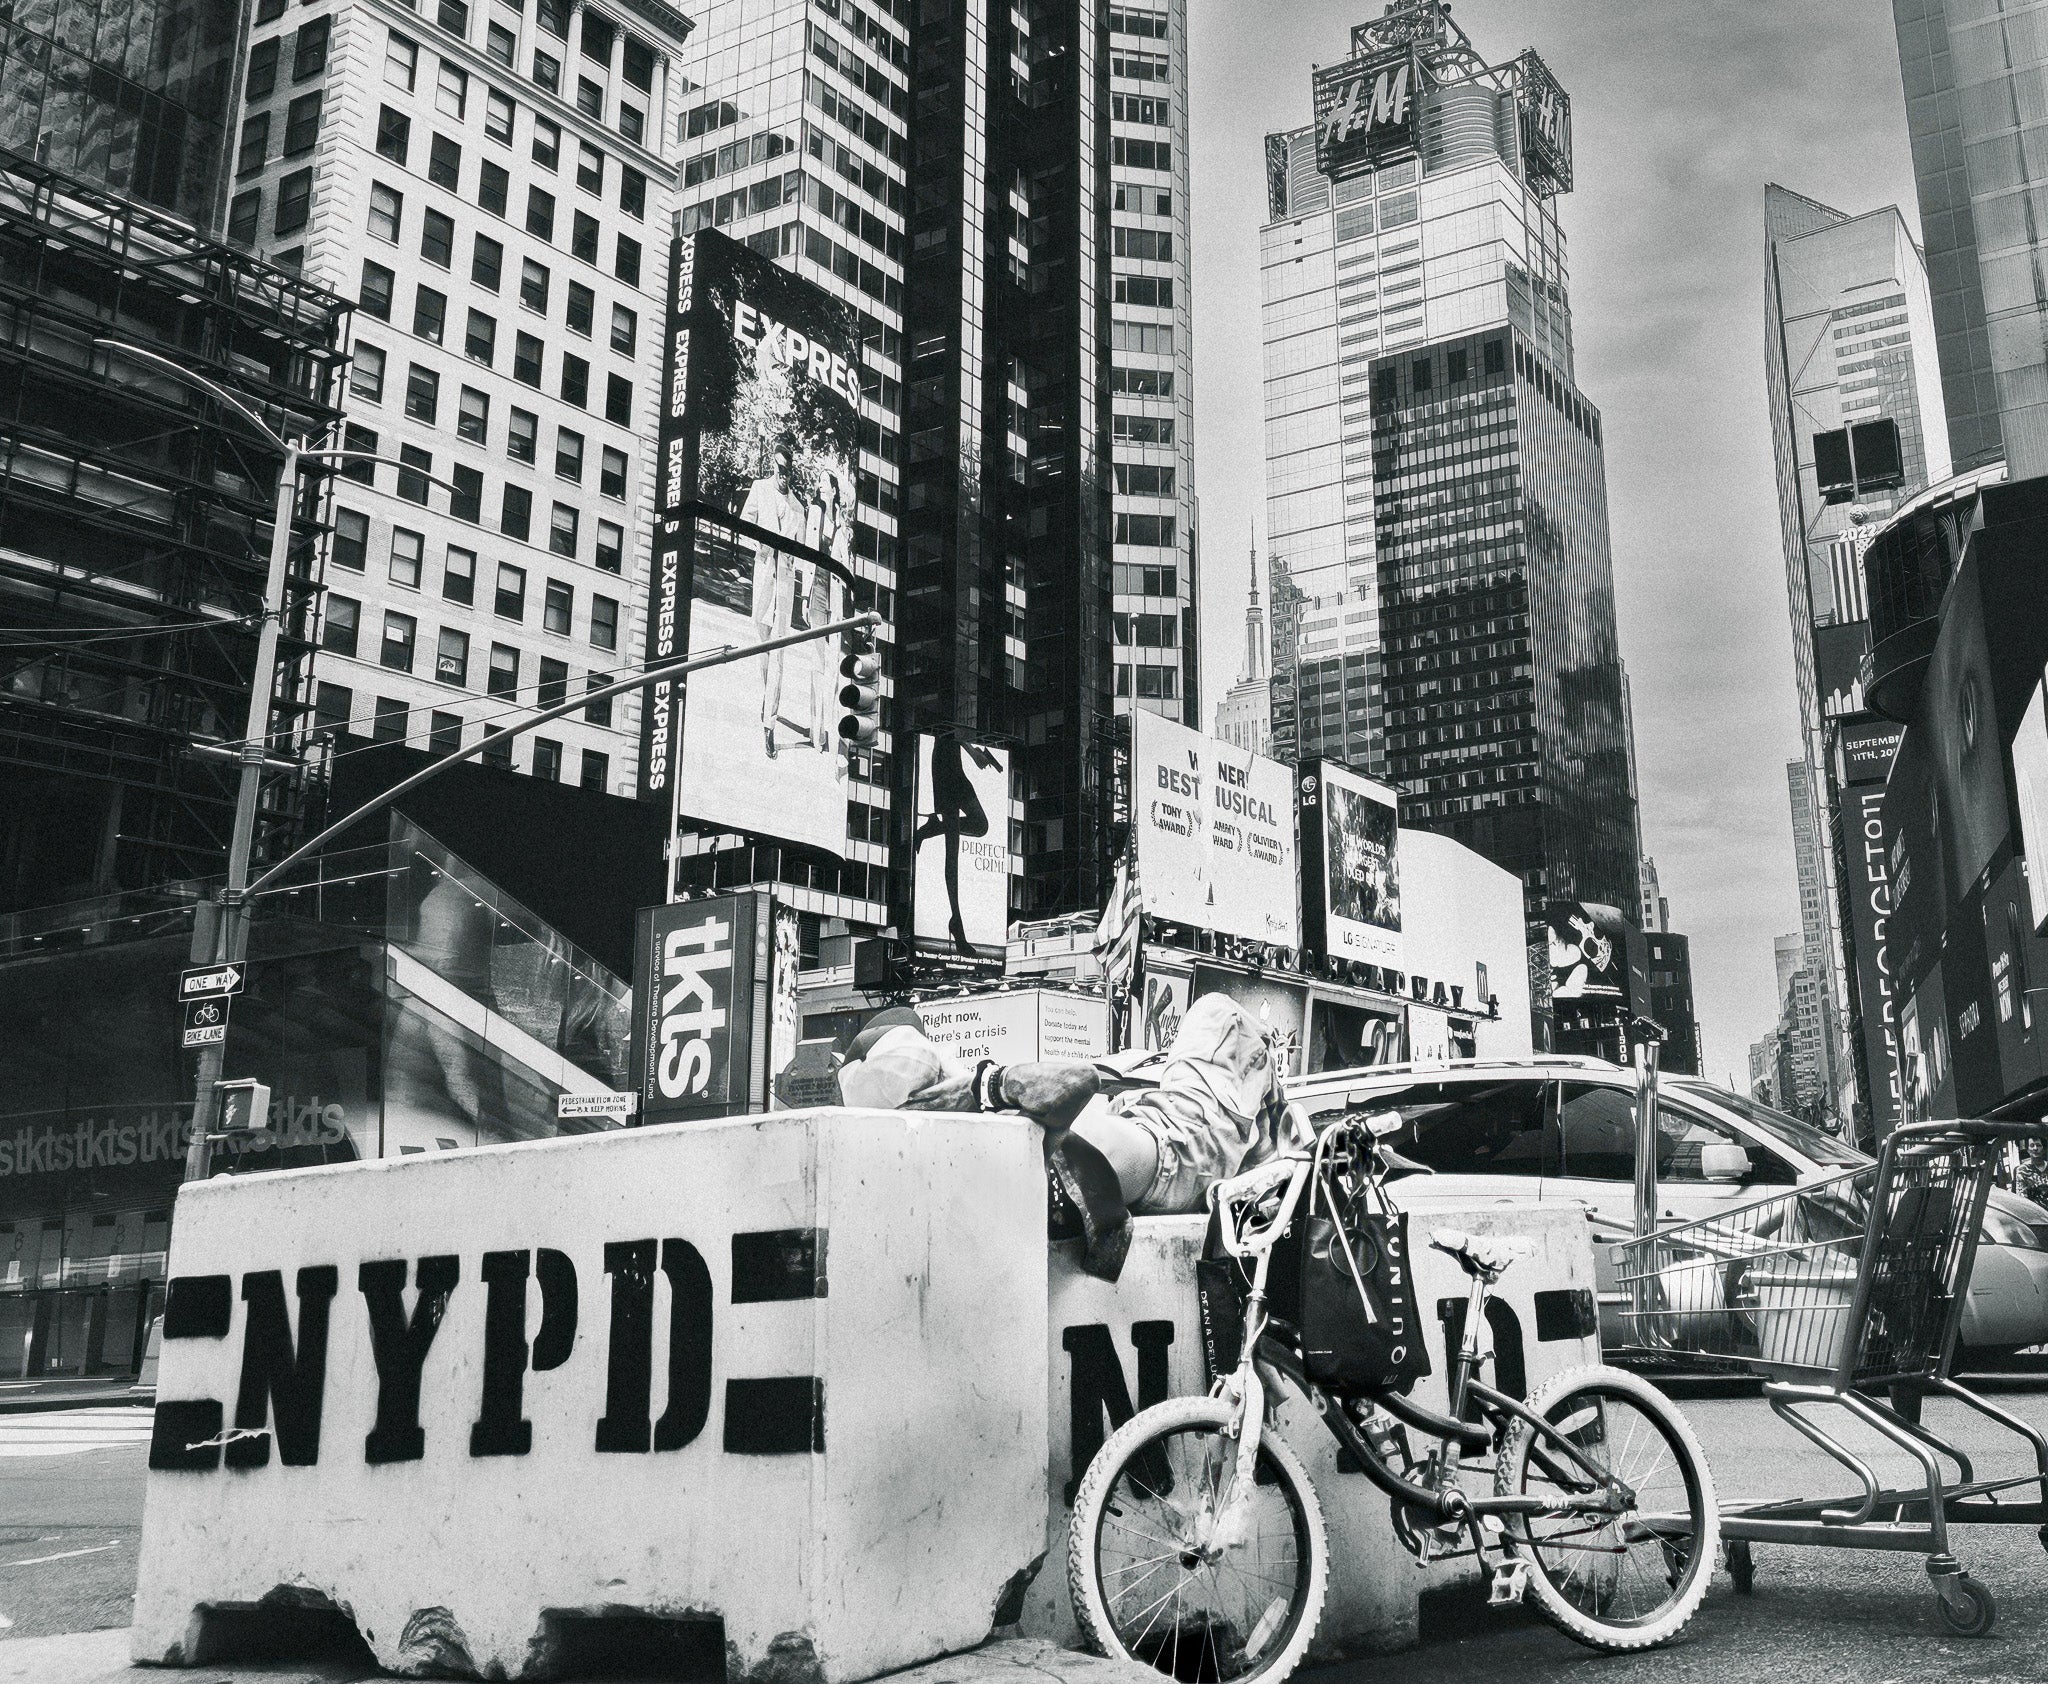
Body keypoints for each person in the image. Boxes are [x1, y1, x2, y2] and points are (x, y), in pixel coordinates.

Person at [740, 446, 805, 759]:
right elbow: (745, 522)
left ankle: (770, 723)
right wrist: (759, 545)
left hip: (785, 585)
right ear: (773, 466)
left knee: (778, 652)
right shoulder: (759, 489)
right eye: (779, 468)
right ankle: (768, 697)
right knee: (762, 643)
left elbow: (802, 551)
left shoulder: (798, 508)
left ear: (792, 471)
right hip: (764, 573)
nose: (783, 474)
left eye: (787, 469)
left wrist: (792, 559)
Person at [913, 735, 1000, 954]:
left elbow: (956, 728)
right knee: (952, 852)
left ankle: (932, 828)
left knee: (980, 825)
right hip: (945, 766)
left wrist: (972, 751)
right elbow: (953, 727)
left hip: (953, 766)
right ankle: (957, 922)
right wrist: (973, 753)